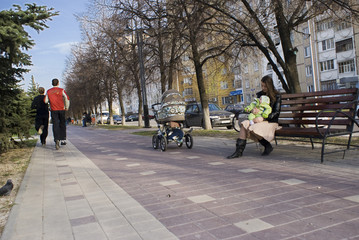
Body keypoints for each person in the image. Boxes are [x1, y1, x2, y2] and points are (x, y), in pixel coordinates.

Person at [227, 75, 281, 158]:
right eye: (262, 86)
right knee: (244, 124)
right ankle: (238, 152)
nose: (263, 88)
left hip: (270, 121)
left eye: (265, 86)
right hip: (257, 119)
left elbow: (276, 113)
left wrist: (263, 118)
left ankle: (267, 145)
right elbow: (255, 106)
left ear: (269, 86)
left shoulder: (277, 96)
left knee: (253, 127)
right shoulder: (260, 95)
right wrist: (253, 110)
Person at [44, 78, 70, 150]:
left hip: (53, 110)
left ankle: (56, 139)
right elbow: (67, 98)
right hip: (61, 109)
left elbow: (45, 101)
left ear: (52, 83)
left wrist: (50, 104)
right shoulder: (61, 90)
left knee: (55, 125)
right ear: (58, 83)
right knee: (62, 124)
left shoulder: (48, 91)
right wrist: (66, 107)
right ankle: (63, 139)